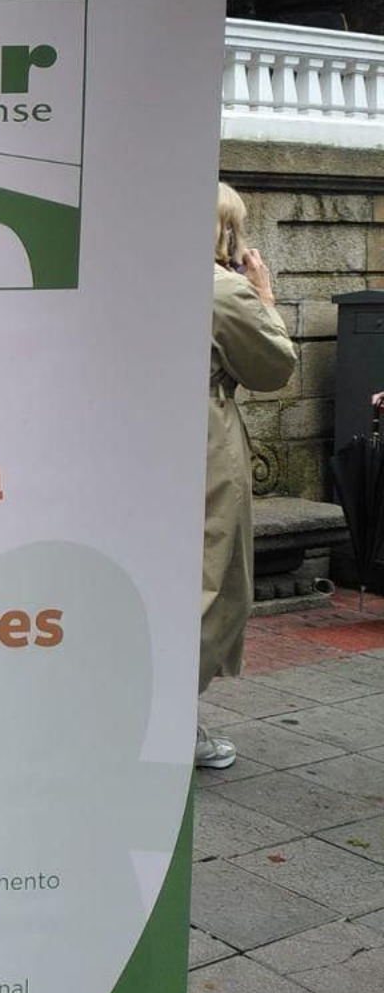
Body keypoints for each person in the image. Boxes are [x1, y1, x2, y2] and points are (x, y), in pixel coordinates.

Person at [198, 182, 296, 769]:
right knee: (209, 577)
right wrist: (265, 294)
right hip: (203, 441)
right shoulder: (221, 290)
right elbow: (273, 366)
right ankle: (170, 721)